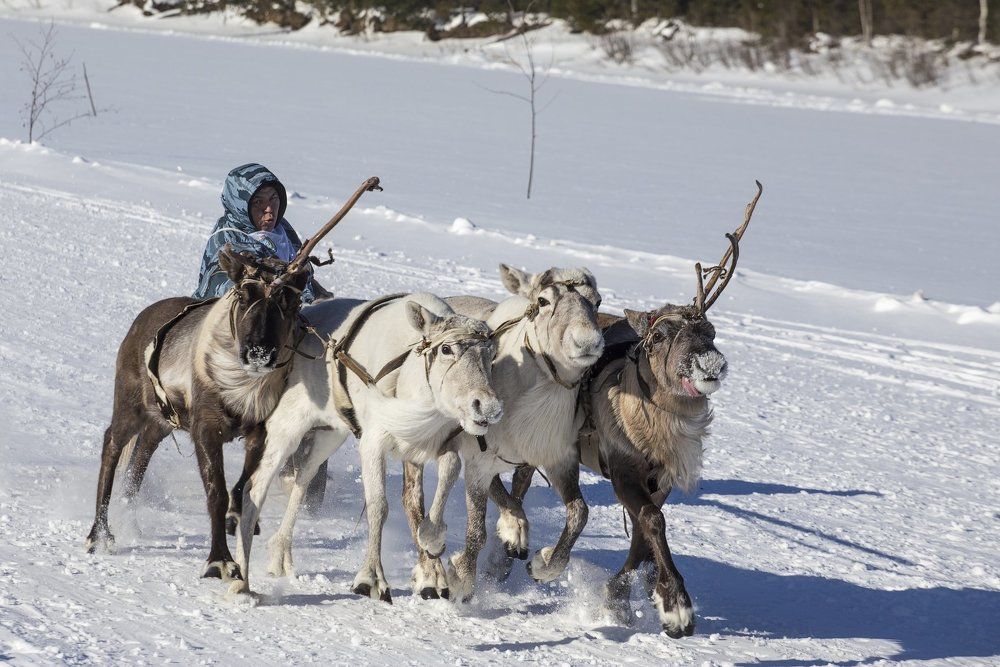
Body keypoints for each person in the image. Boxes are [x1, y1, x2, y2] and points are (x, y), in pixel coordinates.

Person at [194, 162, 330, 301]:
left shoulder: (281, 228)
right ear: (240, 206)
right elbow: (225, 291)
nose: (269, 209)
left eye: (273, 199)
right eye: (258, 202)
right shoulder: (229, 241)